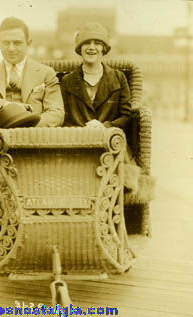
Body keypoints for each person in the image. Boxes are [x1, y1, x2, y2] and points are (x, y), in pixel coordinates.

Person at [0, 17, 65, 228]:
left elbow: (56, 112)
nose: (11, 48)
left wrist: (31, 129)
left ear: (29, 43)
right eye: (6, 43)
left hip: (35, 138)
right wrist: (3, 105)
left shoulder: (45, 73)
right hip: (0, 139)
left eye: (17, 42)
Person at [61, 22, 155, 198]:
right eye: (86, 43)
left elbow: (126, 116)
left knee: (122, 180)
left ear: (104, 49)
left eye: (97, 43)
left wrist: (104, 126)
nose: (91, 48)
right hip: (78, 145)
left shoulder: (118, 78)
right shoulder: (67, 81)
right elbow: (63, 118)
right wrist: (83, 132)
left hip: (111, 143)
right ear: (79, 49)